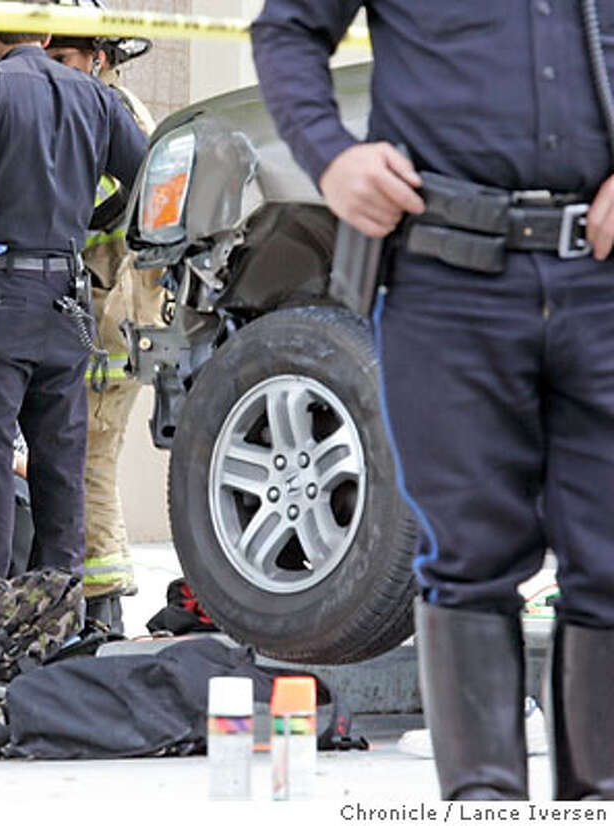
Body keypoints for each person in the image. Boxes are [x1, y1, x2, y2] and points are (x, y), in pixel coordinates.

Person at [252, 0, 614, 801]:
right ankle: (483, 801)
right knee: (472, 557)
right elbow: (287, 30)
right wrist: (332, 158)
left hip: (602, 277)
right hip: (450, 278)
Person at [0, 7, 147, 607]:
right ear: (47, 35)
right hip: (65, 303)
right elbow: (151, 174)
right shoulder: (98, 98)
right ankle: (56, 616)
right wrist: (103, 221)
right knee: (61, 466)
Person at [46, 31, 165, 634]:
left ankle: (103, 607)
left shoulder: (111, 114)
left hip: (110, 324)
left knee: (90, 456)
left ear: (98, 58)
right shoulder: (109, 107)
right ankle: (97, 602)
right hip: (113, 317)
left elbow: (108, 221)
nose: (54, 71)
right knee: (89, 455)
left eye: (63, 59)